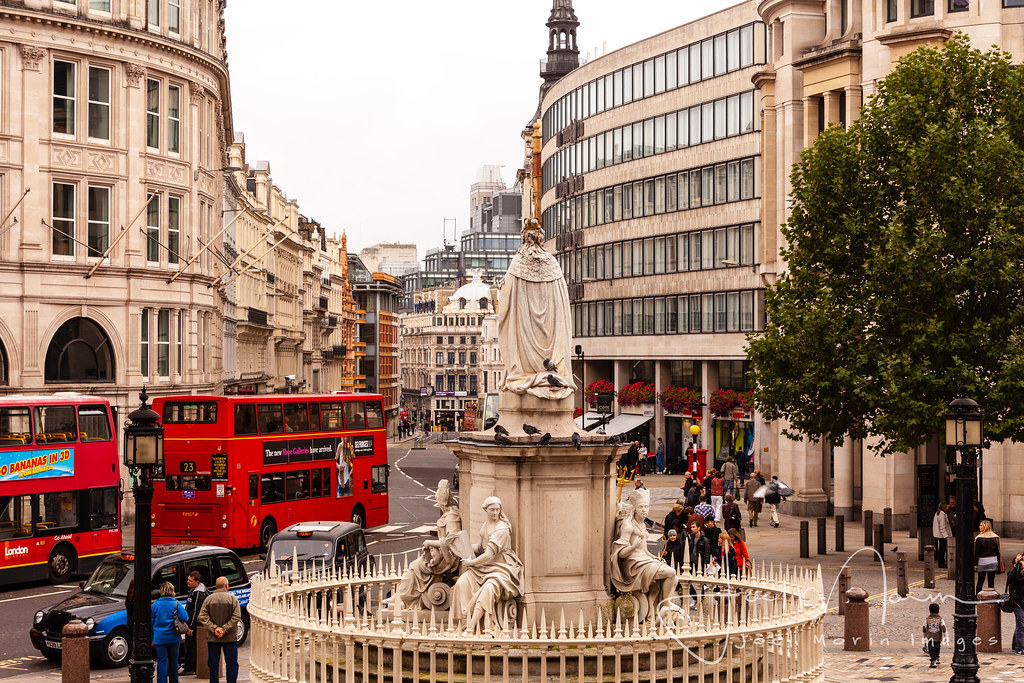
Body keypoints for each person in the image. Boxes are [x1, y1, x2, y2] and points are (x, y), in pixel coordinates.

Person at [452, 496, 525, 634]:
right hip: (486, 567)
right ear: (485, 510)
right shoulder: (486, 526)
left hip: (503, 568)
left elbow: (489, 554)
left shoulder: (501, 529)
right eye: (492, 509)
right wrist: (459, 547)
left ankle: (471, 627)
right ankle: (464, 620)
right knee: (462, 582)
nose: (495, 512)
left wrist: (470, 563)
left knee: (489, 588)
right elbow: (480, 548)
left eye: (497, 509)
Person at [393, 479, 462, 608]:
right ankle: (402, 596)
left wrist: (430, 542)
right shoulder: (449, 515)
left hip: (448, 560)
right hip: (442, 556)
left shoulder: (452, 518)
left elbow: (451, 542)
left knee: (415, 566)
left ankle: (403, 597)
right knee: (416, 566)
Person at [611, 488, 679, 617]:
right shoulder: (628, 525)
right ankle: (666, 604)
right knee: (671, 573)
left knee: (674, 577)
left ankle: (660, 606)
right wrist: (633, 546)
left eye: (646, 507)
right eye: (641, 506)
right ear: (635, 508)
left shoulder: (642, 524)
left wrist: (654, 558)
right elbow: (620, 553)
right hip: (634, 565)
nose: (644, 510)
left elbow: (644, 550)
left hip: (643, 559)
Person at [198, 576, 242, 683]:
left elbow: (202, 616)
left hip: (213, 638)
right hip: (230, 637)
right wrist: (224, 629)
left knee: (213, 664)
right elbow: (236, 617)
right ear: (226, 586)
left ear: (216, 586)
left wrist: (215, 629)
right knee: (231, 663)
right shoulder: (232, 599)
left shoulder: (208, 599)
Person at [151, 581, 188, 683]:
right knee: (173, 661)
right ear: (172, 591)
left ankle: (161, 681)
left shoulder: (155, 605)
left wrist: (152, 638)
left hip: (159, 638)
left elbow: (151, 622)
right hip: (173, 637)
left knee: (161, 661)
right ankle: (173, 680)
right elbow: (185, 617)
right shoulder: (176, 603)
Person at [182, 571, 208, 675]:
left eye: (190, 580)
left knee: (191, 647)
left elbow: (196, 612)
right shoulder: (194, 590)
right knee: (190, 646)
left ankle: (190, 668)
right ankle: (190, 666)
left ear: (197, 582)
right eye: (188, 579)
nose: (187, 582)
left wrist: (191, 627)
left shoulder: (198, 594)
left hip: (193, 626)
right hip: (190, 624)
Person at [975, 519, 1001, 593]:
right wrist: (999, 562)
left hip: (982, 561)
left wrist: (975, 564)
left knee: (980, 580)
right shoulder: (995, 537)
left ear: (985, 527)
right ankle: (991, 597)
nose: (979, 527)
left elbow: (976, 553)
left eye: (981, 525)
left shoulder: (979, 538)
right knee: (991, 581)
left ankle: (977, 596)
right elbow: (998, 551)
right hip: (993, 561)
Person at [1008, 553, 1024, 654]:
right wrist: (1018, 565)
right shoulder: (1014, 574)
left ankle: (1015, 644)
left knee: (1020, 624)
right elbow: (1011, 578)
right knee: (1021, 625)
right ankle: (1021, 647)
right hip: (1018, 603)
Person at [922, 603, 946, 668]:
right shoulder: (940, 619)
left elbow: (924, 627)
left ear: (929, 610)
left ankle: (933, 660)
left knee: (931, 649)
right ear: (938, 611)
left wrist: (925, 634)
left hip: (930, 637)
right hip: (938, 637)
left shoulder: (927, 619)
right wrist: (945, 636)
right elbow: (943, 627)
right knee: (937, 647)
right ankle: (937, 657)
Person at [932, 503, 952, 569]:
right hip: (942, 535)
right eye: (947, 506)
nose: (948, 506)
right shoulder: (942, 515)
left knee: (941, 549)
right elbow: (942, 527)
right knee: (942, 549)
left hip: (939, 535)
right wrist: (946, 536)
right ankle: (942, 563)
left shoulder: (938, 513)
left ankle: (941, 562)